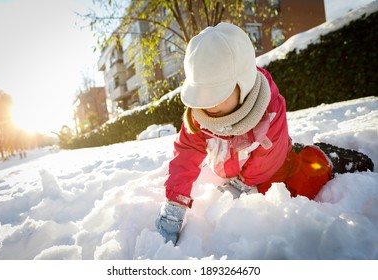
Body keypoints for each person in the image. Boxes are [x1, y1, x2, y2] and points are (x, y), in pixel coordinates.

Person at [155, 22, 373, 245]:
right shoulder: (199, 115)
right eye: (201, 94)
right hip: (235, 166)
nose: (208, 103)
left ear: (244, 83)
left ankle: (327, 158)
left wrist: (242, 185)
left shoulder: (267, 108)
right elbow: (185, 156)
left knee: (296, 187)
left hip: (272, 163)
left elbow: (267, 161)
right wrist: (175, 204)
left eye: (216, 93)